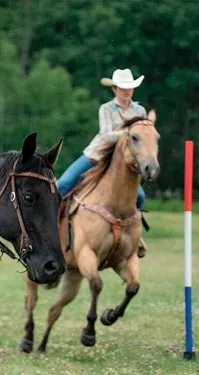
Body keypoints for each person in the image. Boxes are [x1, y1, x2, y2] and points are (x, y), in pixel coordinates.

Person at [56, 68, 149, 257]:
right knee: (63, 183)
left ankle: (135, 236)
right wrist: (128, 134)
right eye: (122, 88)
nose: (127, 91)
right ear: (114, 89)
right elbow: (106, 135)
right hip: (97, 155)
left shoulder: (140, 110)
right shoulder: (106, 109)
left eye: (129, 87)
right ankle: (51, 227)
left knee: (139, 196)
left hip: (124, 164)